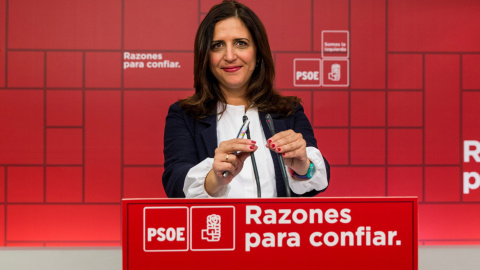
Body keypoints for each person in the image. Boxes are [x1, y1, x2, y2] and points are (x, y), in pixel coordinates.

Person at [162, 0, 330, 198]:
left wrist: (303, 166)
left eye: (241, 43)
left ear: (258, 53)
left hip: (274, 229)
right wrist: (214, 179)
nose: (230, 56)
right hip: (216, 228)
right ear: (206, 57)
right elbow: (175, 182)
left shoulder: (288, 111)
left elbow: (317, 181)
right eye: (217, 46)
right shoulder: (184, 115)